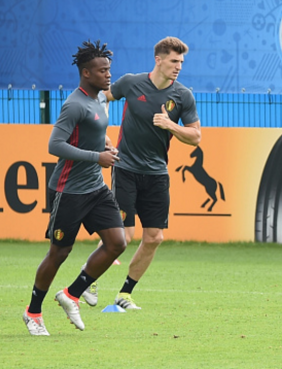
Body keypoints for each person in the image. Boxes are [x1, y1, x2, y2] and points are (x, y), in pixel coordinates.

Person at [23, 40, 127, 336]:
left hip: (95, 188)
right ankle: (33, 313)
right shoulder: (74, 104)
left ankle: (71, 295)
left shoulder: (101, 100)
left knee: (117, 243)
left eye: (109, 69)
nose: (108, 75)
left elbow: (94, 130)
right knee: (59, 252)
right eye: (102, 70)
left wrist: (103, 142)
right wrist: (98, 156)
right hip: (68, 191)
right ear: (85, 73)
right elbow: (54, 145)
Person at [90, 36, 201, 310]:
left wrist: (170, 125)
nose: (178, 67)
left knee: (154, 238)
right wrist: (101, 132)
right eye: (174, 61)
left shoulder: (182, 96)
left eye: (181, 62)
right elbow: (99, 97)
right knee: (124, 237)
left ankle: (124, 294)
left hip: (157, 174)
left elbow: (196, 136)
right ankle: (88, 278)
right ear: (159, 59)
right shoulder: (131, 82)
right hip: (125, 169)